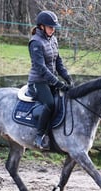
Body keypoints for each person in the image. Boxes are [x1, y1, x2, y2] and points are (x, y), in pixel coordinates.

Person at [27, 10, 74, 150]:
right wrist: (57, 83)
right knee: (50, 103)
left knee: (64, 100)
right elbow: (41, 68)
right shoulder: (35, 42)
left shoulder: (53, 39)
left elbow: (58, 62)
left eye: (54, 27)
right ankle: (39, 136)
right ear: (41, 26)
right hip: (38, 82)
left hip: (50, 80)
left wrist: (67, 77)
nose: (53, 30)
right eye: (50, 27)